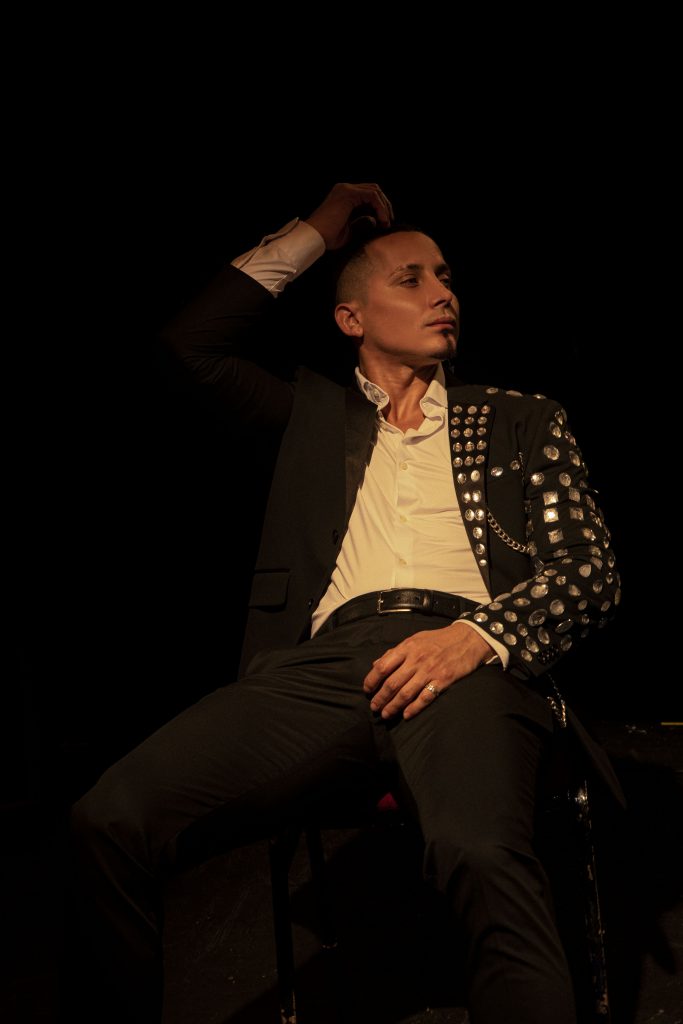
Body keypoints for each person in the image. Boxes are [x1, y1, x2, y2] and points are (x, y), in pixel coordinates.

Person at [64, 182, 623, 1023]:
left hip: (465, 656)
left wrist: (476, 636)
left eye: (446, 277)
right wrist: (318, 231)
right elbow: (189, 344)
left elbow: (588, 570)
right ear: (350, 318)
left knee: (479, 852)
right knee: (107, 819)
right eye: (410, 278)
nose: (442, 293)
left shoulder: (518, 418)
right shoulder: (311, 419)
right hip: (322, 669)